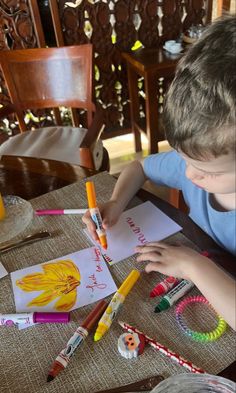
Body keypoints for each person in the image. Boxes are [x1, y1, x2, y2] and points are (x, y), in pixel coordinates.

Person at [83, 16, 236, 330]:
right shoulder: (198, 161)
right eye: (184, 159)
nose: (190, 175)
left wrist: (195, 266)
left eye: (208, 172)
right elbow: (139, 167)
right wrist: (115, 203)